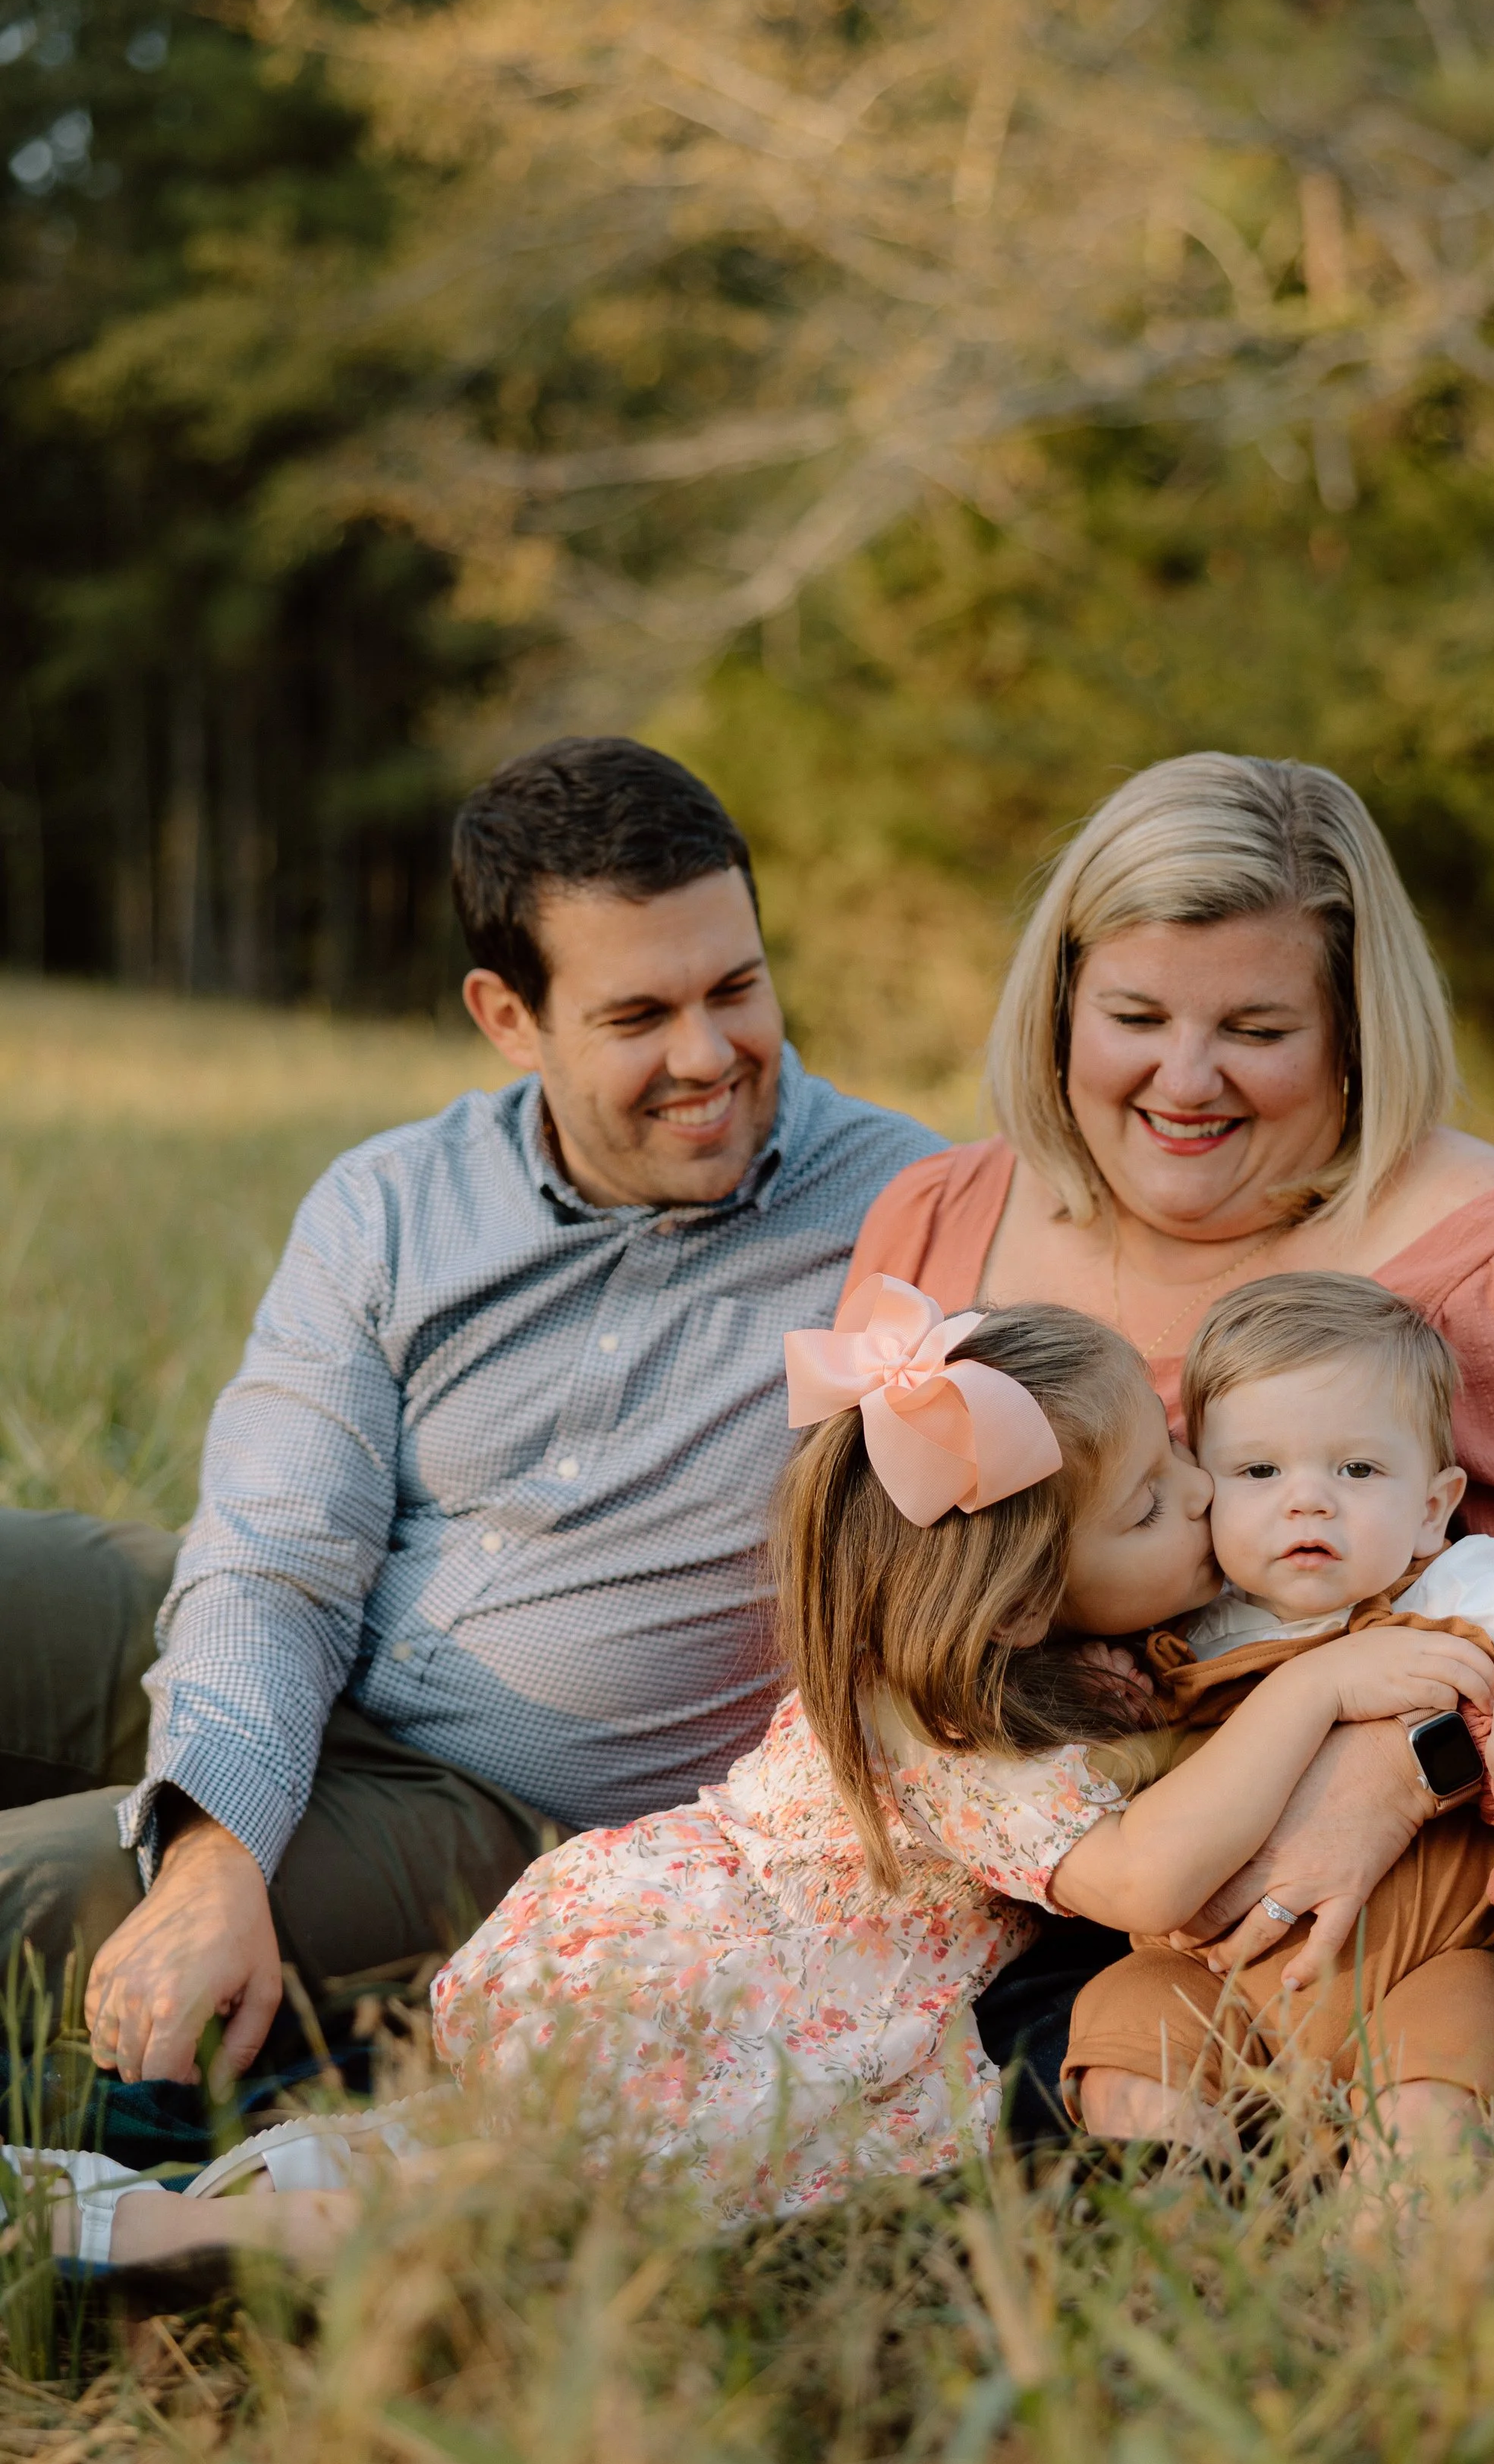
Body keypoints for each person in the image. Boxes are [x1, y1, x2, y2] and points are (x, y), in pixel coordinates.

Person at [5, 1279, 1494, 2269]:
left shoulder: (1033, 1650)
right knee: (528, 2223)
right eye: (1156, 1499)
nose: (1206, 1502)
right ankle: (137, 2236)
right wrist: (1323, 1685)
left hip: (667, 1948)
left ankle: (215, 2181)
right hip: (732, 1998)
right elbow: (1140, 1876)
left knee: (479, 2160)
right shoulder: (948, 1719)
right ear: (1015, 1593)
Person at [847, 751, 1494, 2130]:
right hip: (1130, 1846)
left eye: (1257, 1030)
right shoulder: (945, 1222)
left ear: (1351, 1035)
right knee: (994, 2083)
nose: (1183, 1080)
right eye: (1134, 1012)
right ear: (1060, 1004)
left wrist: (1401, 1767)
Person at [0, 736, 938, 2103]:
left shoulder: (911, 1214)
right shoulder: (392, 1203)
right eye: (638, 1018)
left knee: (31, 1897)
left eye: (737, 989)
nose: (711, 1055)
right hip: (321, 1662)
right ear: (509, 1016)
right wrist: (216, 1846)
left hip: (507, 1805)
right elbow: (276, 1554)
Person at [1060, 1273, 1494, 2141]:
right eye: (1259, 1469)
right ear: (1202, 1491)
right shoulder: (1180, 1628)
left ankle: (1392, 2231)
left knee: (1442, 2086)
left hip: (1424, 1970)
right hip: (1208, 1973)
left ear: (1430, 1509)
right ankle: (1180, 2210)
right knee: (1127, 2044)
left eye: (1356, 1468)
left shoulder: (1453, 1584)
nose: (1307, 1498)